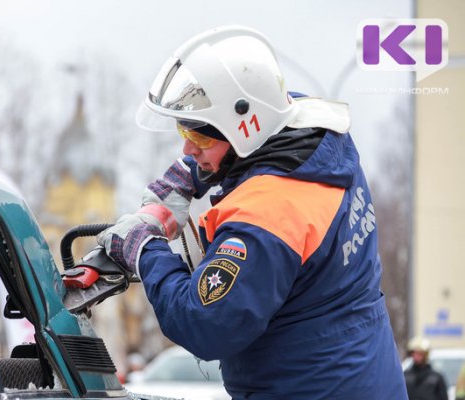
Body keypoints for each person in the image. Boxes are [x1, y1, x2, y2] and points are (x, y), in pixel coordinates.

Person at [97, 25, 407, 399]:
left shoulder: (266, 217)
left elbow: (205, 323)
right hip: (361, 375)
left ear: (244, 126)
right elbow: (256, 151)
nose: (187, 148)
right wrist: (190, 175)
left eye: (199, 138)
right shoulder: (317, 138)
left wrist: (144, 249)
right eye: (184, 132)